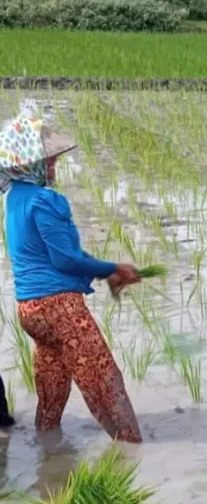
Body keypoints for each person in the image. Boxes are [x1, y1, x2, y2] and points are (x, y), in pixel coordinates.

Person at [1, 114, 143, 443]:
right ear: (29, 163)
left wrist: (107, 269)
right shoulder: (46, 200)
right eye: (48, 160)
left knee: (51, 392)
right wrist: (112, 269)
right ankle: (134, 450)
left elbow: (61, 255)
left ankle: (48, 452)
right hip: (60, 309)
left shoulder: (14, 199)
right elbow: (65, 259)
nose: (53, 166)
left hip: (29, 310)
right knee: (104, 382)